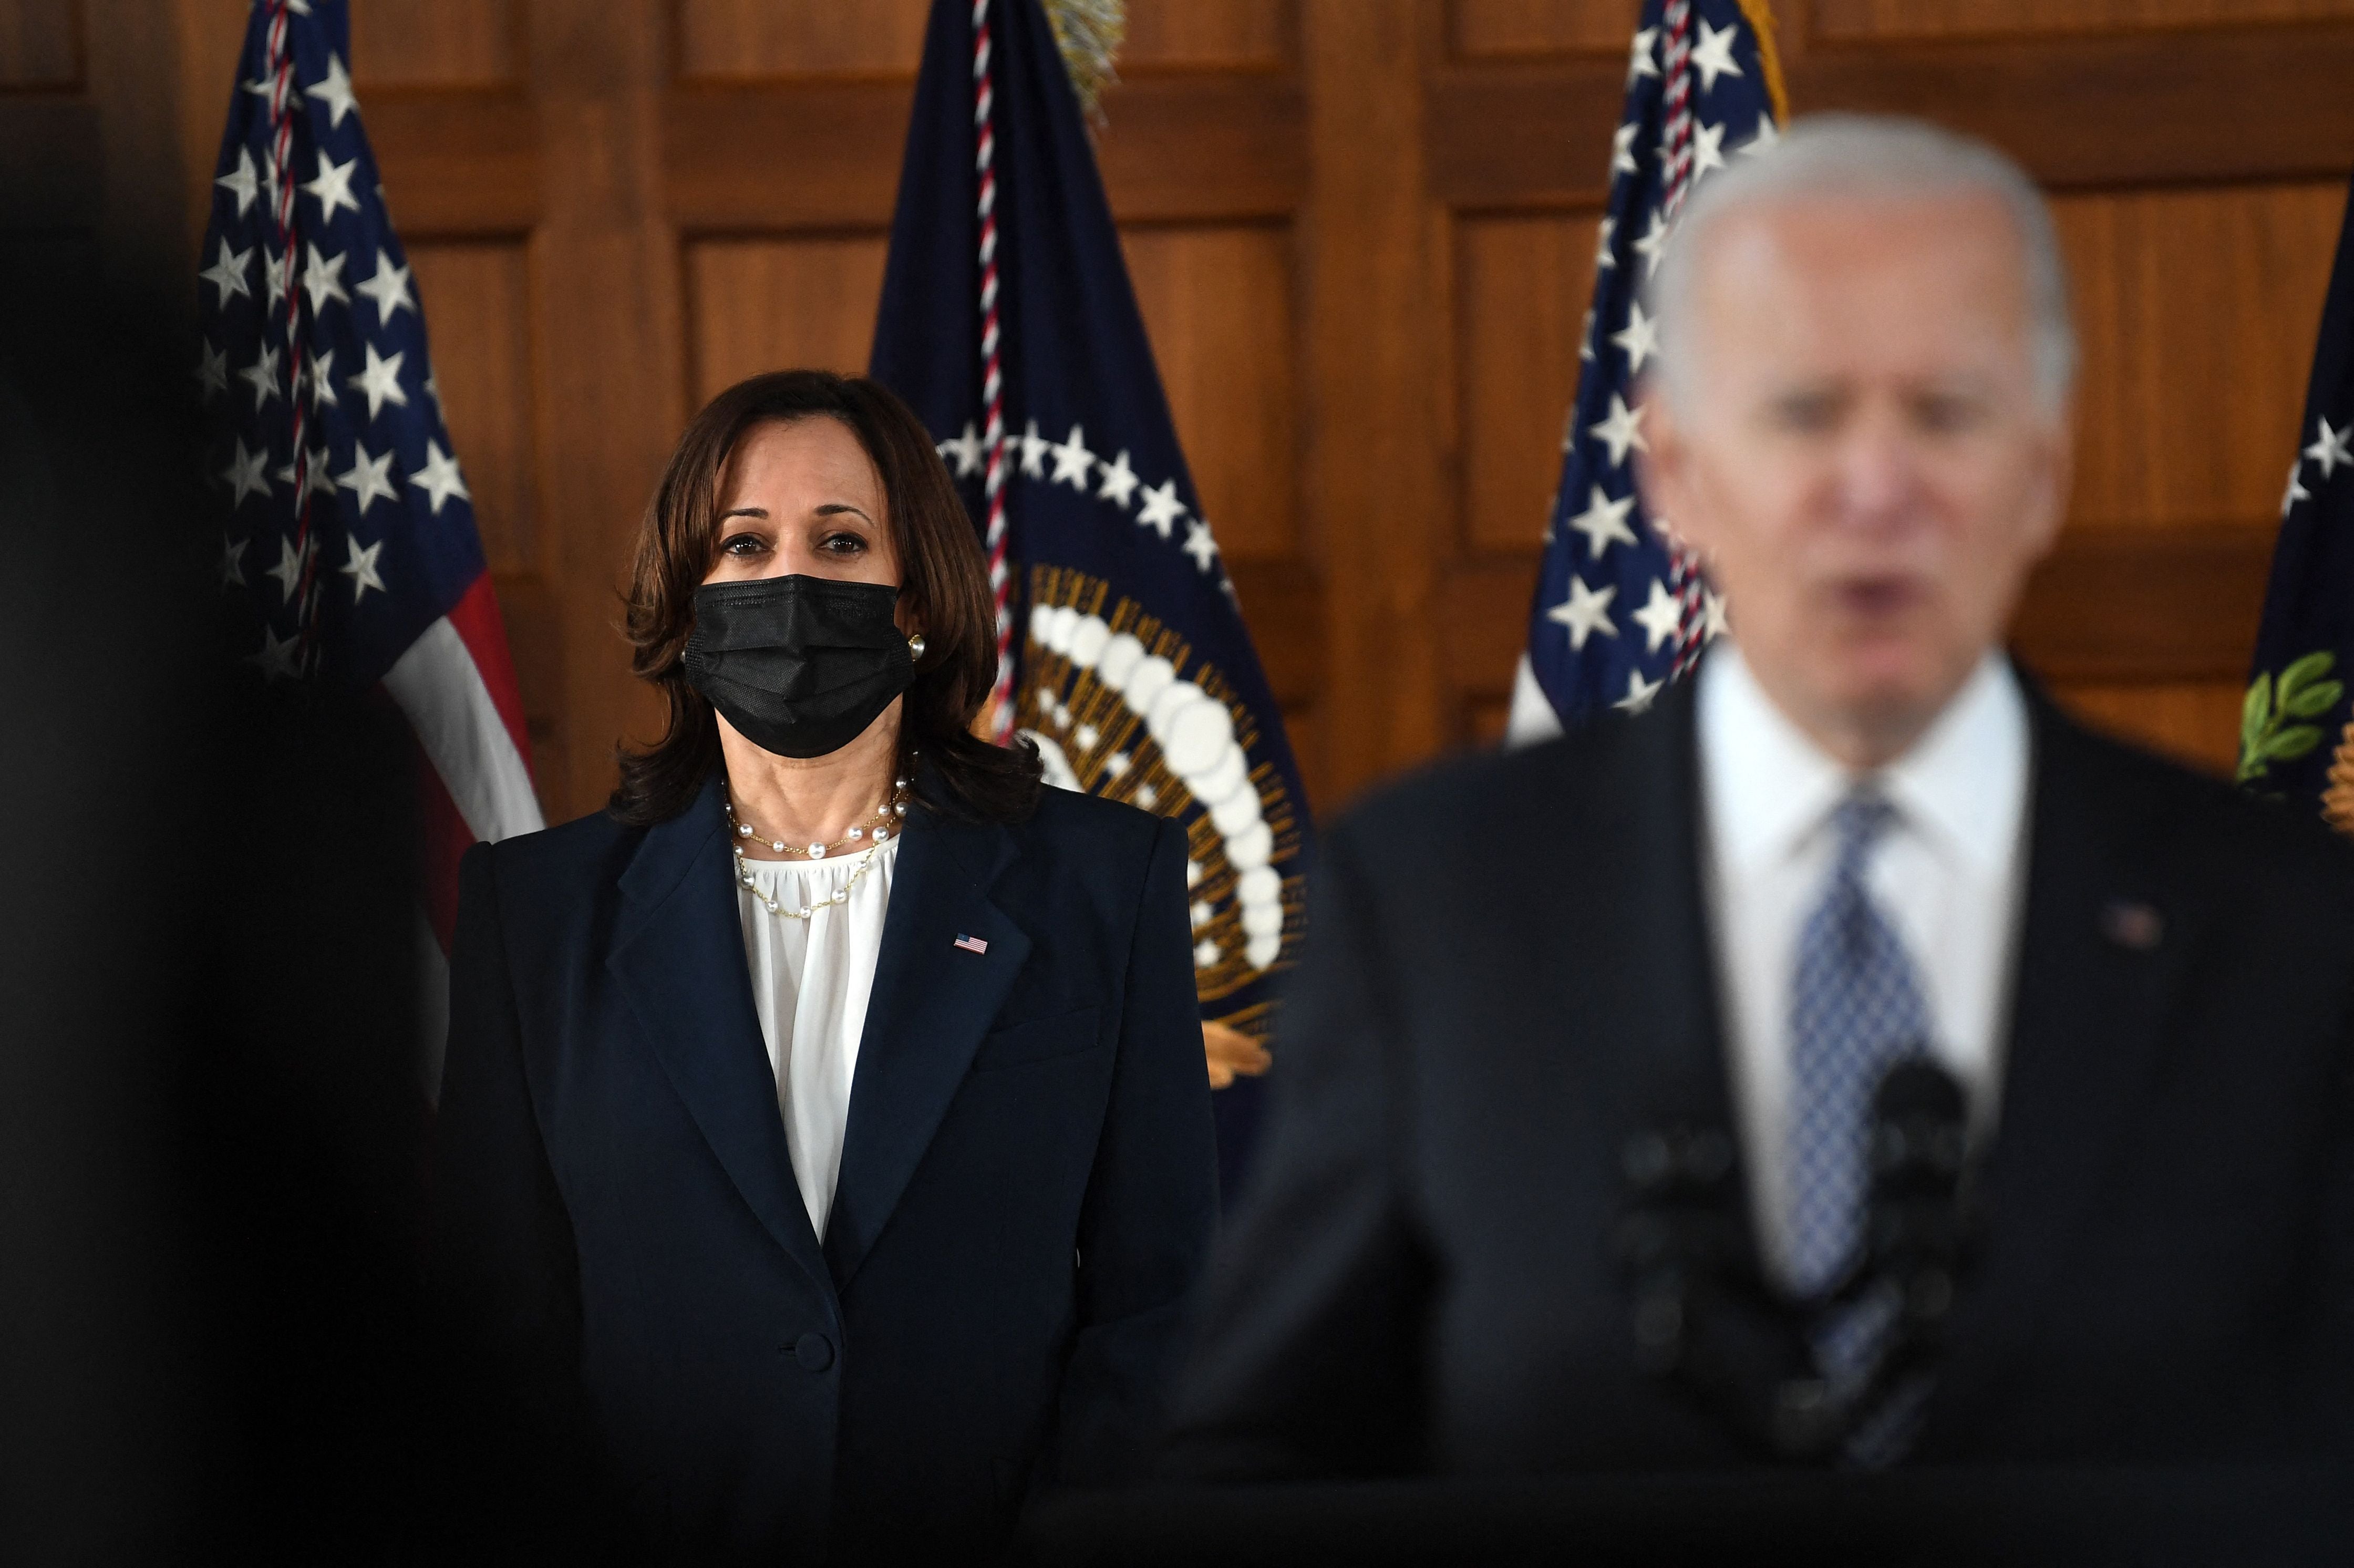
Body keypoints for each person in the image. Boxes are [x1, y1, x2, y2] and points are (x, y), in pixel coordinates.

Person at [1164, 116, 2354, 1480]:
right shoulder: (1436, 904)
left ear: (2046, 471)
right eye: (1805, 411)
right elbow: (1251, 1462)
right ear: (1674, 473)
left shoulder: (2287, 926)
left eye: (1946, 414)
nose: (1876, 488)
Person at [430, 369, 1216, 1560]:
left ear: (916, 593)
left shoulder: (1106, 884)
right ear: (687, 600)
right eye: (742, 545)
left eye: (840, 539)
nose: (789, 581)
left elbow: (1158, 1301)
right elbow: (499, 1329)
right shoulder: (535, 913)